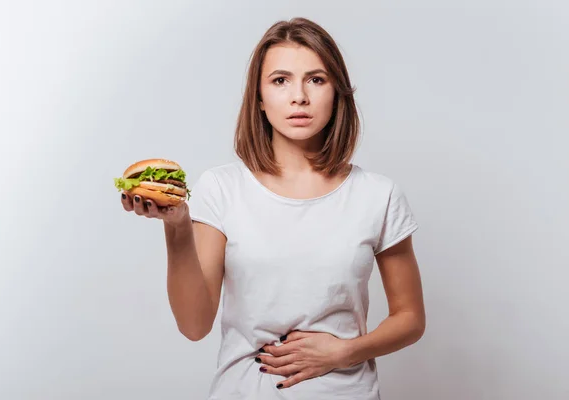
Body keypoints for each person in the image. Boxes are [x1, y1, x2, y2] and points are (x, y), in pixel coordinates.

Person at [121, 17, 425, 400]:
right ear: (260, 99)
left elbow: (410, 319)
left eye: (316, 79)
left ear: (337, 93)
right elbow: (194, 325)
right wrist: (177, 226)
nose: (299, 96)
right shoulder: (221, 188)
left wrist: (343, 352)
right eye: (280, 80)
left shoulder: (378, 195)